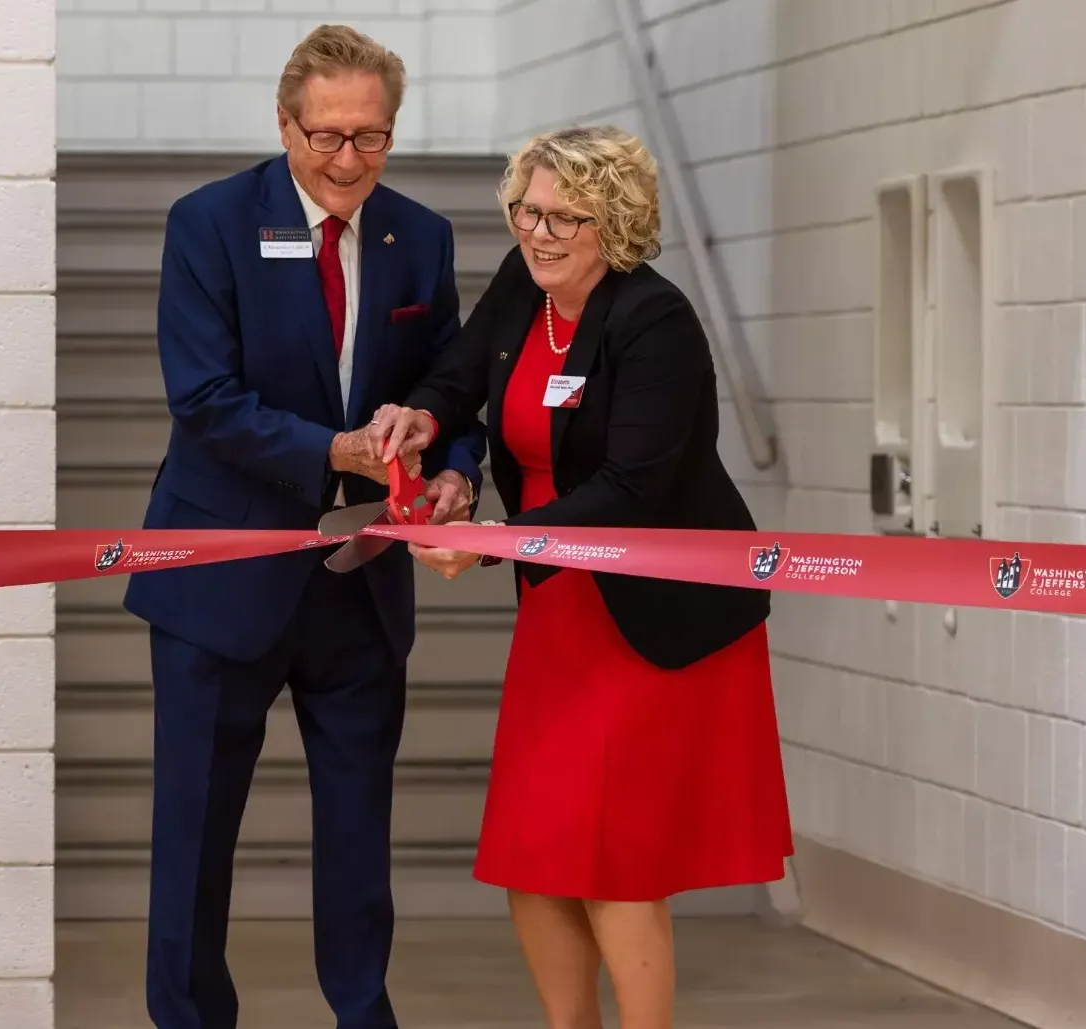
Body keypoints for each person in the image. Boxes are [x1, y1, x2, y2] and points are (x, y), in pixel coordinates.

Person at [368, 126, 793, 1029]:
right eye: (526, 210)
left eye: (565, 216)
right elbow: (457, 376)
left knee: (615, 858)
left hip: (650, 610)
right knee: (533, 849)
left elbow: (631, 488)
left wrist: (494, 542)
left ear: (618, 222)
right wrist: (423, 418)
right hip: (558, 602)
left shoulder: (654, 320)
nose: (538, 231)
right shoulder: (526, 284)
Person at [120, 23, 489, 1029]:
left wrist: (454, 474)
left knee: (359, 839)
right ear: (283, 125)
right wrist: (337, 452)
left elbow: (449, 387)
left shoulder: (419, 235)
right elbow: (202, 399)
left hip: (359, 583)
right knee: (194, 836)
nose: (347, 160)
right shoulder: (208, 223)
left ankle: (362, 1015)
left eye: (370, 136)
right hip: (219, 582)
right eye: (325, 135)